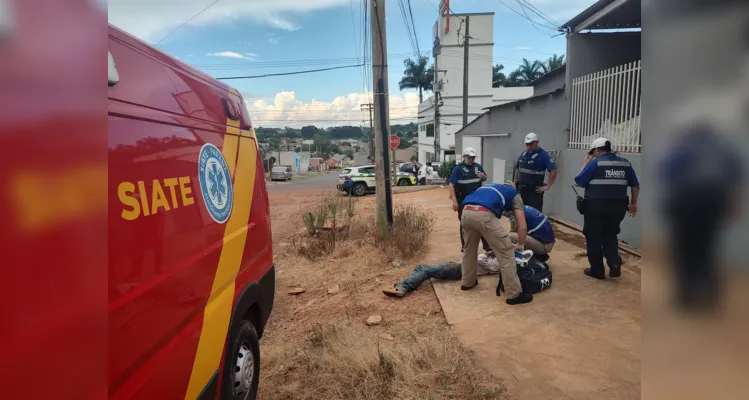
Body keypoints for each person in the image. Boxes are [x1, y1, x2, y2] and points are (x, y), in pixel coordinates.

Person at [574, 137, 640, 280]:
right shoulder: (625, 164)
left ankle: (597, 270)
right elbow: (635, 185)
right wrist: (633, 204)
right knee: (610, 234)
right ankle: (614, 263)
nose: (593, 155)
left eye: (593, 152)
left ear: (598, 150)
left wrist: (585, 164)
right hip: (618, 208)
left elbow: (578, 181)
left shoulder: (595, 163)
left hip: (595, 208)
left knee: (593, 237)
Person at [460, 182, 534, 305]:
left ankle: (468, 282)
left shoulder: (487, 187)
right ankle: (514, 294)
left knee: (469, 249)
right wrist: (520, 245)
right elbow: (522, 226)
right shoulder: (514, 194)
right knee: (506, 252)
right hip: (484, 215)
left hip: (466, 212)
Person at [382, 252, 499, 298]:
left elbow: (483, 261)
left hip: (457, 270)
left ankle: (402, 287)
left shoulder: (497, 263)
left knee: (426, 271)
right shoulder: (492, 259)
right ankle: (411, 283)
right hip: (455, 266)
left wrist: (487, 254)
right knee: (420, 267)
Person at [448, 147, 490, 252]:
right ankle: (466, 246)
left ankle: (486, 245)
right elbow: (451, 185)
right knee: (465, 224)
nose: (471, 160)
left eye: (473, 158)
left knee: (481, 221)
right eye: (469, 158)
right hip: (463, 200)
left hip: (478, 200)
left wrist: (483, 176)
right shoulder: (458, 169)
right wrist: (454, 201)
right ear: (465, 157)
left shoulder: (478, 167)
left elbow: (484, 178)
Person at [514, 132, 558, 212]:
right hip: (522, 190)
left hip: (534, 192)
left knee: (534, 213)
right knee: (521, 212)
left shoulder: (543, 155)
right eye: (527, 144)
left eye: (531, 144)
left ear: (537, 143)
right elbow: (518, 168)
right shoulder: (524, 154)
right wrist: (515, 180)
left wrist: (547, 185)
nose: (528, 146)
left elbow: (553, 169)